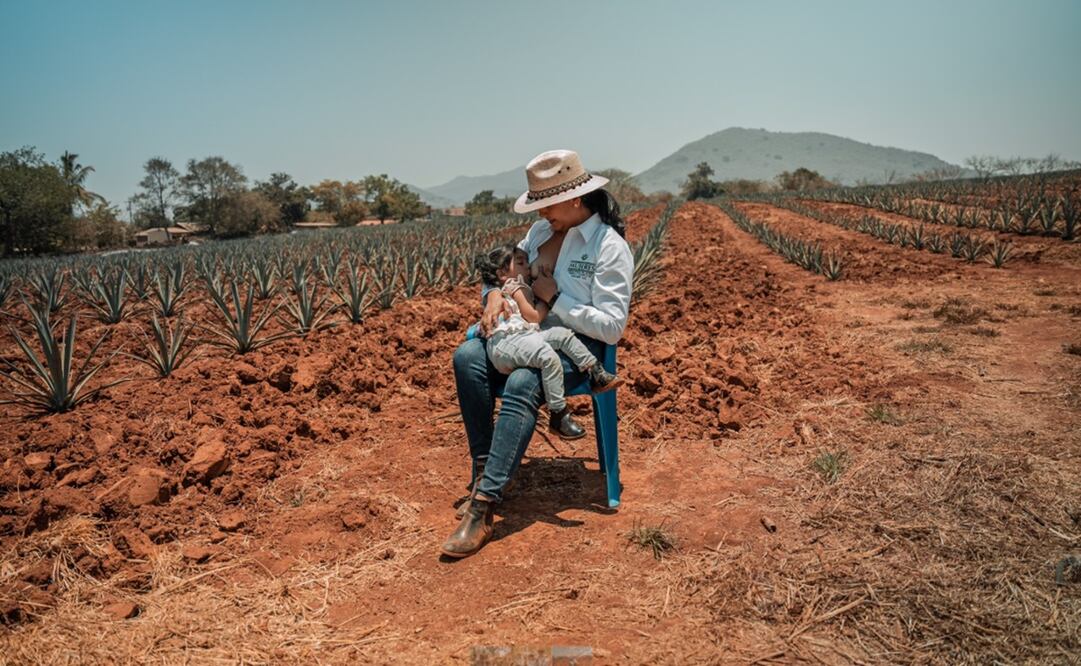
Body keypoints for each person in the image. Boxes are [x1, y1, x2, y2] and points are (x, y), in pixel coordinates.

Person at [442, 149, 634, 558]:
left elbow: (613, 327)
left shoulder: (609, 246)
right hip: (521, 335)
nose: (541, 212)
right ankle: (484, 469)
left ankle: (483, 506)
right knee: (466, 358)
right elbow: (504, 270)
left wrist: (557, 300)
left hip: (576, 347)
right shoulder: (539, 234)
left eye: (546, 203)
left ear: (575, 198)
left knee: (524, 379)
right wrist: (492, 294)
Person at [473, 243, 621, 440]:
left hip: (522, 337)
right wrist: (548, 298)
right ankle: (558, 413)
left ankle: (594, 370)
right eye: (520, 262)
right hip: (507, 343)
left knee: (562, 335)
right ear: (502, 273)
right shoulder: (514, 287)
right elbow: (533, 317)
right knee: (549, 358)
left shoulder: (517, 286)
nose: (527, 266)